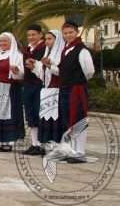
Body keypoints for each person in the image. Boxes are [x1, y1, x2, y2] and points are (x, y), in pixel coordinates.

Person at [53, 21, 94, 164]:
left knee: (78, 119)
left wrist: (78, 81)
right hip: (65, 88)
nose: (68, 35)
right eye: (65, 33)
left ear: (76, 32)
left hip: (77, 88)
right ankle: (71, 150)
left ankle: (80, 152)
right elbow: (61, 71)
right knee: (68, 119)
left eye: (71, 32)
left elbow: (89, 71)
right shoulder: (66, 50)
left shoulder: (82, 50)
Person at [28, 29, 65, 150]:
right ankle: (48, 147)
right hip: (47, 90)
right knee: (47, 120)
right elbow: (43, 75)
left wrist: (49, 65)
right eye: (47, 39)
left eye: (50, 39)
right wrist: (35, 66)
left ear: (57, 39)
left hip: (58, 91)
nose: (47, 42)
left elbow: (62, 72)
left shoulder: (61, 54)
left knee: (57, 121)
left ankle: (59, 147)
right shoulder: (47, 53)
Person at [21, 24, 47, 156]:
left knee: (39, 113)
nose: (31, 37)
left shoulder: (44, 48)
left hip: (39, 84)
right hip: (28, 84)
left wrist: (35, 66)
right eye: (29, 35)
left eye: (34, 35)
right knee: (30, 114)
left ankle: (42, 144)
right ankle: (34, 143)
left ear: (40, 35)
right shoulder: (26, 50)